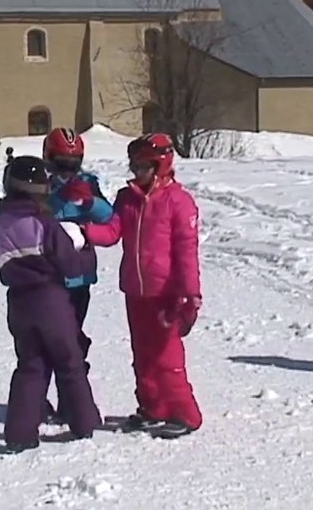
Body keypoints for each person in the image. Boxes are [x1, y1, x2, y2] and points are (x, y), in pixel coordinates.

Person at [84, 133, 202, 439]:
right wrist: (85, 231)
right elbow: (112, 232)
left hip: (166, 293)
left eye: (143, 166)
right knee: (143, 354)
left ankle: (185, 413)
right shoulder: (128, 198)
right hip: (135, 291)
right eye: (133, 166)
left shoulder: (179, 202)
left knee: (167, 355)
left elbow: (187, 252)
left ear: (161, 165)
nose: (137, 172)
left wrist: (189, 294)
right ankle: (153, 408)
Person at [0, 155, 102, 453]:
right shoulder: (44, 224)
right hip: (51, 300)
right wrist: (85, 251)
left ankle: (20, 434)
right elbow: (71, 265)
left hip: (18, 302)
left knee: (30, 365)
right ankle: (83, 421)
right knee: (69, 361)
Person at [41, 128, 114, 422]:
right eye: (62, 164)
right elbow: (32, 215)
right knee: (45, 340)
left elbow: (109, 217)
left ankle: (73, 400)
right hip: (47, 277)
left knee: (73, 340)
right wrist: (58, 199)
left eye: (74, 163)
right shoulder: (41, 185)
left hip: (78, 277)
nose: (68, 171)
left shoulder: (87, 183)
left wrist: (89, 202)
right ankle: (37, 397)